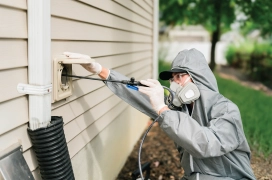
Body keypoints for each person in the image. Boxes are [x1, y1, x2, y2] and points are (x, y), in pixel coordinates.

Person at [63, 49, 256, 180]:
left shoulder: (226, 109)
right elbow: (138, 94)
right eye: (172, 78)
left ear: (197, 78)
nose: (174, 83)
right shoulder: (179, 107)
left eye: (180, 76)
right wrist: (100, 70)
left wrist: (163, 110)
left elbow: (206, 144)